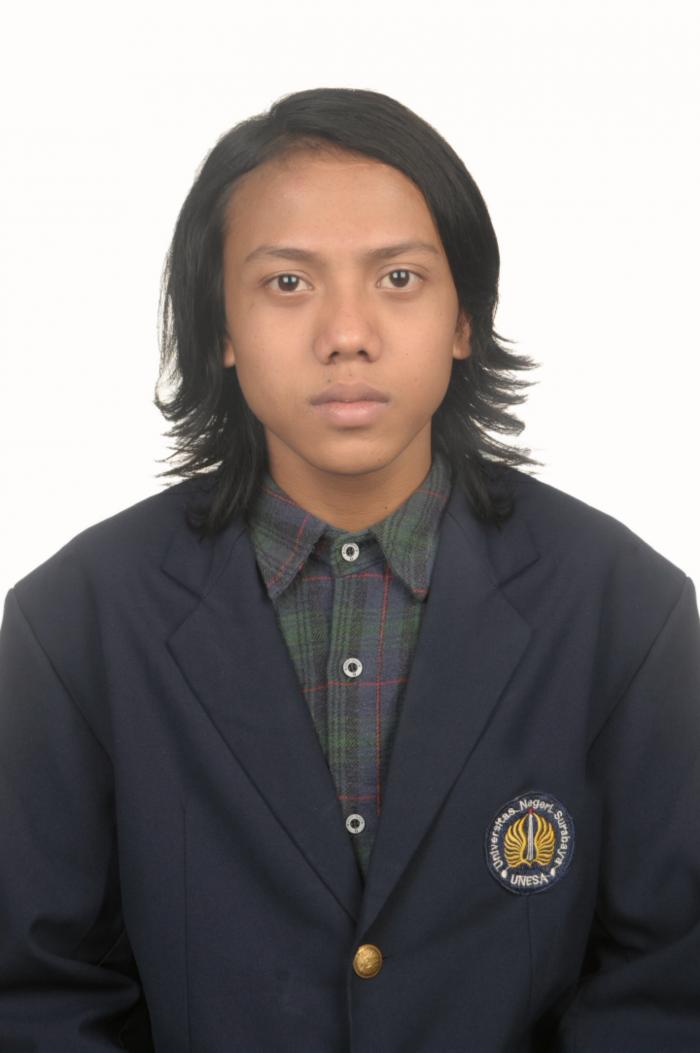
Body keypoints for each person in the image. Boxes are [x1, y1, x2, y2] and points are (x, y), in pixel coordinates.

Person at [0, 86, 698, 1053]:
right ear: (220, 328)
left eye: (399, 278)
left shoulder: (626, 610)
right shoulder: (74, 624)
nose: (347, 333)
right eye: (288, 282)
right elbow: (39, 991)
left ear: (465, 318)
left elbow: (670, 979)